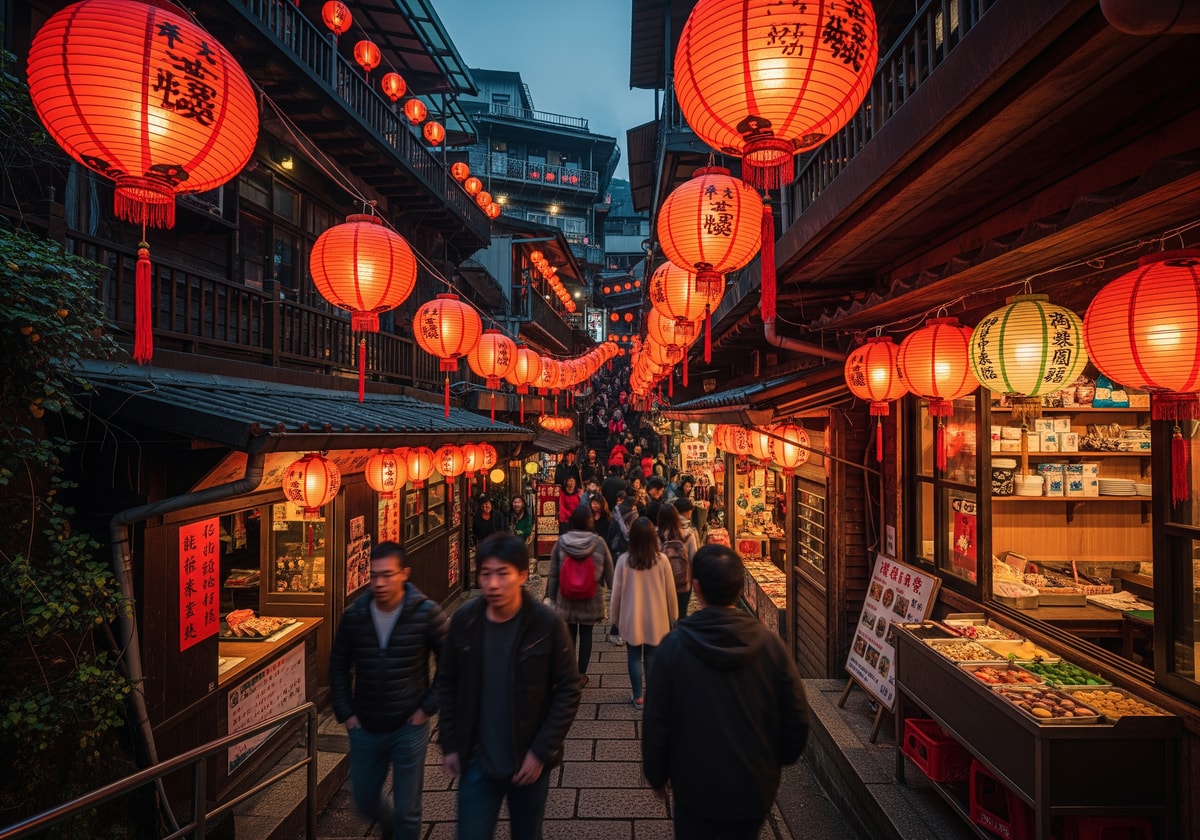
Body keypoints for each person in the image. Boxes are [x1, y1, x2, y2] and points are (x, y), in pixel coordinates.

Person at [643, 544, 809, 839]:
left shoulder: (674, 647)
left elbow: (657, 720)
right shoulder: (771, 646)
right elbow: (796, 717)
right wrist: (772, 760)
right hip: (753, 788)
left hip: (694, 786)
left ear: (696, 587)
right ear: (741, 585)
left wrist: (657, 774)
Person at [438, 533, 582, 840]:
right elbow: (447, 682)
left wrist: (542, 751)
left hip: (527, 760)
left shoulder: (546, 624)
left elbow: (568, 688)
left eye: (502, 574)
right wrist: (449, 741)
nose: (492, 584)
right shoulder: (465, 621)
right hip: (476, 760)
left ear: (522, 574)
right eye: (486, 574)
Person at [330, 542, 447, 840]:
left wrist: (426, 709)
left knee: (409, 810)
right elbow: (338, 665)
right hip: (365, 724)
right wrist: (347, 714)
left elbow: (450, 664)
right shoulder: (355, 615)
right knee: (364, 799)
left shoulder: (426, 612)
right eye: (374, 576)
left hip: (409, 726)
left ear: (404, 574)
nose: (379, 583)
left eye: (387, 575)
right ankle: (389, 824)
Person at [610, 517, 677, 708]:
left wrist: (614, 619)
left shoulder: (624, 560)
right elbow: (670, 591)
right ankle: (653, 695)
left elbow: (616, 594)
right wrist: (674, 615)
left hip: (632, 617)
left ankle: (638, 695)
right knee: (651, 658)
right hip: (657, 618)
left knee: (633, 656)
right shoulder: (662, 560)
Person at [546, 506, 614, 687]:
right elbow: (609, 571)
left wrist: (552, 597)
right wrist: (613, 591)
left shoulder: (561, 542)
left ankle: (569, 671)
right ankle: (581, 674)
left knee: (568, 635)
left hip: (566, 598)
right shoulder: (598, 543)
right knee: (586, 635)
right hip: (590, 598)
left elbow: (553, 573)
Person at [657, 503, 698, 620]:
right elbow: (693, 558)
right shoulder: (688, 534)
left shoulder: (656, 534)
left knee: (663, 615)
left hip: (662, 582)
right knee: (682, 614)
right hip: (683, 582)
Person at [510, 495, 535, 571]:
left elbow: (528, 530)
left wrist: (520, 532)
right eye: (515, 502)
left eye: (519, 502)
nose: (517, 504)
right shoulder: (509, 515)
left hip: (522, 543)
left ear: (523, 504)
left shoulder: (527, 517)